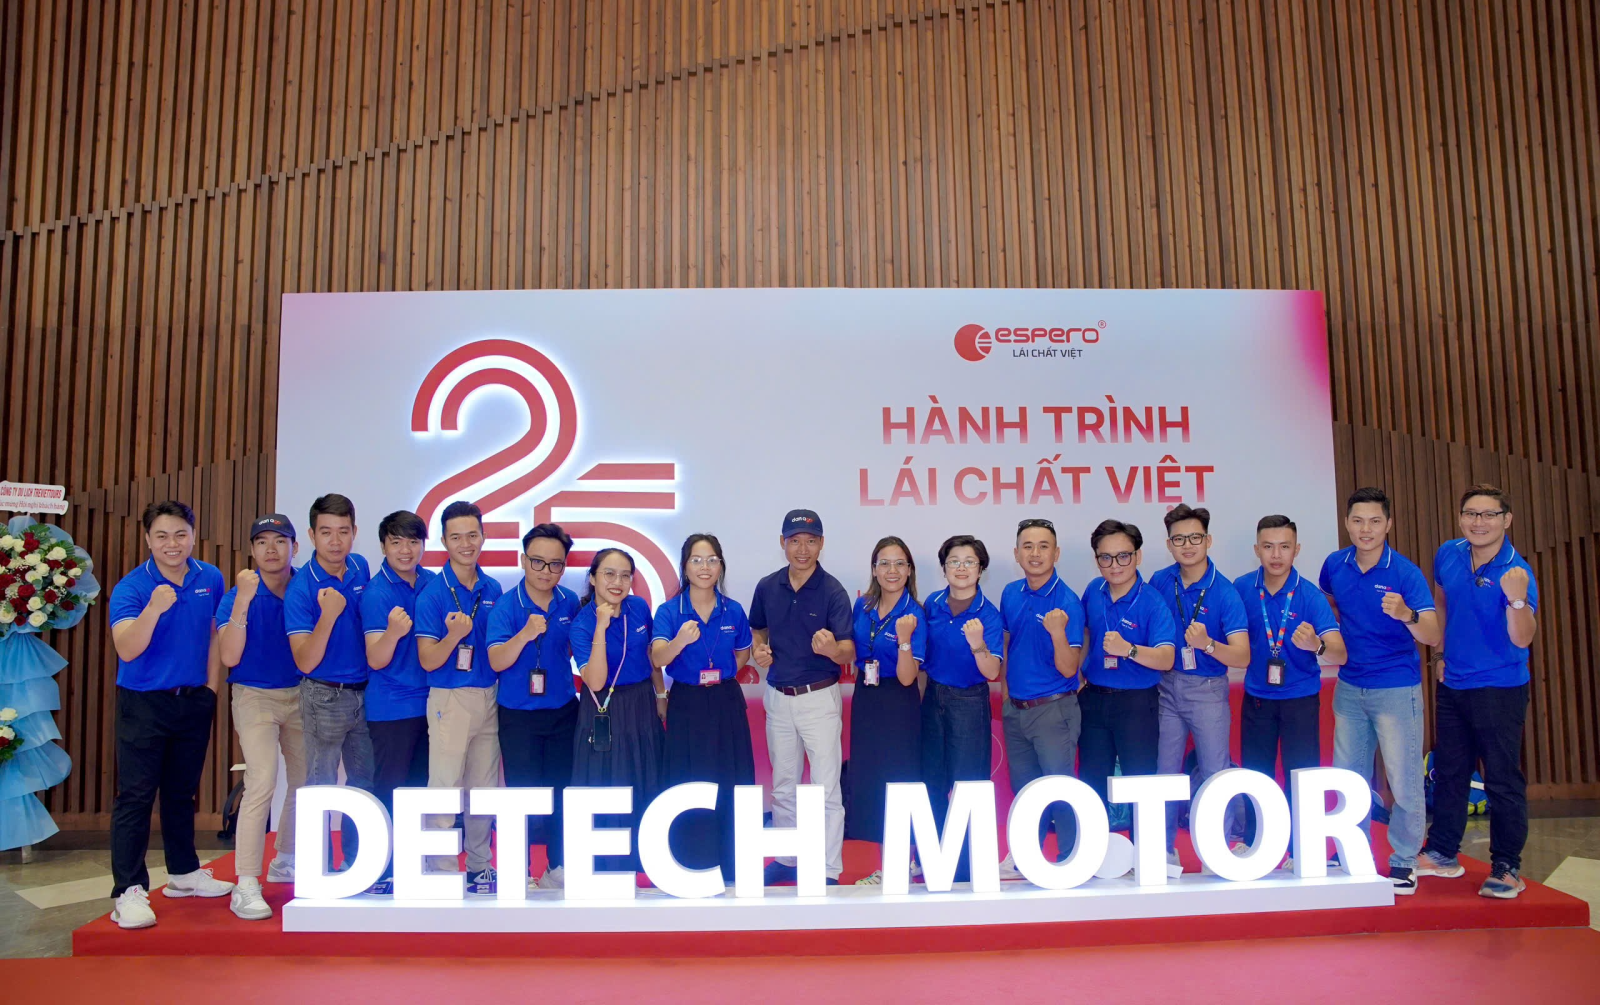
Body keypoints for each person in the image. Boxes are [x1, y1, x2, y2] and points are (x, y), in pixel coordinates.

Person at [106, 501, 234, 929]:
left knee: (181, 793)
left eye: (180, 534)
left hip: (193, 700)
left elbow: (214, 634)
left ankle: (183, 873)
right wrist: (154, 608)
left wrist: (210, 689)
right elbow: (127, 649)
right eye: (161, 536)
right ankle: (128, 891)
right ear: (147, 539)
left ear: (193, 536)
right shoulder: (132, 588)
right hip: (143, 703)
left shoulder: (209, 577)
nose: (172, 544)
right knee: (136, 797)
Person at [1417, 484, 1540, 898]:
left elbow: (1522, 638)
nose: (1479, 522)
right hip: (1453, 683)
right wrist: (1439, 654)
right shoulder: (1448, 553)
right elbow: (1442, 603)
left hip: (1500, 688)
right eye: (1471, 513)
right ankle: (1442, 851)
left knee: (1502, 778)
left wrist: (1517, 601)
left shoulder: (1517, 571)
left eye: (1489, 515)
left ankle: (1506, 866)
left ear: (1507, 520)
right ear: (1460, 517)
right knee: (1450, 771)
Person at [1319, 487, 1441, 894]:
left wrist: (1406, 614)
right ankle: (1349, 852)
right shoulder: (1334, 565)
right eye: (1357, 521)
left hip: (1396, 688)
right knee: (1348, 778)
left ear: (1388, 524)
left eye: (1374, 521)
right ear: (1347, 523)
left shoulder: (1405, 573)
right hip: (1350, 686)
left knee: (1403, 780)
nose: (1365, 529)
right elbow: (1329, 605)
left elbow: (1432, 633)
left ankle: (1404, 860)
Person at [749, 509, 855, 886]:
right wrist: (759, 649)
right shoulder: (767, 586)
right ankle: (787, 858)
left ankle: (827, 868)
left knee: (825, 789)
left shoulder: (833, 591)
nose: (803, 549)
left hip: (818, 698)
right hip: (778, 696)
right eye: (795, 541)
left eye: (811, 541)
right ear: (783, 543)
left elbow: (848, 650)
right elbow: (758, 629)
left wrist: (833, 650)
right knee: (783, 785)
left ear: (822, 543)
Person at [1235, 515, 1346, 858]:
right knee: (1256, 777)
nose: (1276, 555)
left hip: (1300, 699)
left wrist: (1317, 645)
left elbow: (1340, 652)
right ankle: (1256, 845)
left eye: (1284, 546)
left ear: (1297, 550)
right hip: (1257, 698)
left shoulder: (1310, 596)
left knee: (1301, 777)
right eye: (1268, 546)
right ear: (1256, 550)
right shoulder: (1241, 588)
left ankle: (1301, 850)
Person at [1147, 504, 1251, 868]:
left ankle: (1216, 851)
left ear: (1208, 540)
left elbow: (1242, 656)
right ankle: (1162, 850)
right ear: (1169, 545)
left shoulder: (1225, 592)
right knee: (1164, 772)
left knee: (1214, 772)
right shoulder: (1161, 581)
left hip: (1207, 689)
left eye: (1194, 537)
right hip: (1166, 687)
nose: (1187, 545)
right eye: (1179, 539)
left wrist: (1207, 644)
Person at [215, 514, 306, 920]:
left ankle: (286, 857)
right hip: (254, 695)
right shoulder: (238, 593)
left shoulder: (307, 586)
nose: (272, 549)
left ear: (294, 547)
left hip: (302, 694)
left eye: (280, 541)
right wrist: (243, 600)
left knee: (305, 782)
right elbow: (229, 655)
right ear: (252, 550)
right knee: (262, 781)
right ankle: (246, 882)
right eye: (263, 542)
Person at [650, 534, 756, 877]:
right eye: (696, 560)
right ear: (685, 567)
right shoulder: (670, 611)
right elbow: (658, 658)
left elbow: (743, 653)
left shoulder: (733, 610)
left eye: (712, 560)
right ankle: (691, 860)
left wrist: (723, 673)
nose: (705, 567)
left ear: (721, 566)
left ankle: (732, 863)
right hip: (688, 703)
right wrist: (680, 640)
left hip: (725, 701)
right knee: (689, 781)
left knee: (730, 780)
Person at [414, 500, 503, 895]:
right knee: (445, 786)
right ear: (444, 542)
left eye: (472, 535)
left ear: (483, 536)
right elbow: (428, 660)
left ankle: (480, 864)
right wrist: (453, 636)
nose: (466, 544)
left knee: (483, 789)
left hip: (489, 696)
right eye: (456, 537)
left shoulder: (493, 588)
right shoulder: (432, 594)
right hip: (449, 698)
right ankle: (441, 868)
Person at [487, 523, 581, 891]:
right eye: (538, 562)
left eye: (555, 564)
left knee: (561, 791)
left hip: (562, 711)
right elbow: (496, 660)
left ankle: (557, 866)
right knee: (522, 794)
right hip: (518, 715)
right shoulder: (505, 605)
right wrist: (526, 634)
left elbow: (575, 649)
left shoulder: (569, 601)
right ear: (523, 560)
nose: (546, 571)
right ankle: (520, 869)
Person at [285, 493, 375, 873]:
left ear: (354, 532)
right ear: (311, 535)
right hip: (323, 694)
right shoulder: (301, 587)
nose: (335, 541)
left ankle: (357, 865)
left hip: (366, 693)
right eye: (326, 532)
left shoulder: (361, 567)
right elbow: (304, 660)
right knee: (320, 785)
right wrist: (328, 614)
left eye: (343, 531)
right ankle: (318, 870)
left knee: (364, 782)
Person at [1077, 520, 1177, 835]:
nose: (1115, 565)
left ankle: (1142, 854)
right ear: (1097, 559)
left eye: (1123, 556)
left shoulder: (1152, 601)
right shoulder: (1093, 591)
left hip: (1136, 705)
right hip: (1094, 700)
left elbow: (1167, 658)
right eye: (1105, 557)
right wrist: (1078, 675)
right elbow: (1086, 633)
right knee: (1092, 781)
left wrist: (1128, 650)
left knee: (1140, 784)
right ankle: (1093, 852)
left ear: (1138, 556)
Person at [570, 547, 665, 874]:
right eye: (609, 574)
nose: (617, 582)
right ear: (593, 578)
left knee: (643, 775)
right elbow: (595, 681)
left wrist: (661, 694)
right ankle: (607, 862)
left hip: (640, 702)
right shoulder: (582, 624)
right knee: (607, 782)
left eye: (625, 576)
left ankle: (644, 858)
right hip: (603, 708)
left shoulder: (639, 608)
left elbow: (651, 656)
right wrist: (601, 625)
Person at [999, 518, 1085, 878]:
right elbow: (1007, 644)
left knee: (1058, 788)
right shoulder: (1010, 593)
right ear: (1017, 553)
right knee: (1025, 791)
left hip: (1053, 710)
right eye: (1028, 546)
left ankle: (1072, 859)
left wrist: (1057, 632)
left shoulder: (1068, 602)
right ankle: (1025, 856)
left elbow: (1069, 668)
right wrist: (1007, 697)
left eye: (1043, 546)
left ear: (1056, 553)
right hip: (1016, 710)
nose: (1035, 553)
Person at [359, 510, 437, 896]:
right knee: (390, 789)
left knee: (420, 790)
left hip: (432, 704)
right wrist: (392, 632)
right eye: (396, 542)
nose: (406, 550)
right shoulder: (377, 592)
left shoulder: (433, 583)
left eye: (413, 541)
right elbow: (376, 658)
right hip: (392, 708)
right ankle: (383, 868)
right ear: (383, 546)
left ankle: (414, 864)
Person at [920, 534, 1002, 884]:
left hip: (969, 702)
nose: (962, 568)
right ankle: (934, 860)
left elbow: (993, 671)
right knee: (931, 782)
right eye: (954, 561)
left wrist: (978, 644)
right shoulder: (932, 604)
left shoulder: (989, 614)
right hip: (933, 698)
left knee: (968, 788)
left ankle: (968, 868)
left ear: (981, 569)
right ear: (944, 568)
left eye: (970, 562)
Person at [846, 536, 928, 885]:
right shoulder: (862, 606)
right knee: (872, 781)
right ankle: (888, 863)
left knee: (899, 779)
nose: (891, 570)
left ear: (909, 570)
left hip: (898, 701)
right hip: (866, 697)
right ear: (874, 569)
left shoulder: (915, 614)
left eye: (899, 564)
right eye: (884, 563)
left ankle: (902, 863)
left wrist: (904, 638)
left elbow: (909, 677)